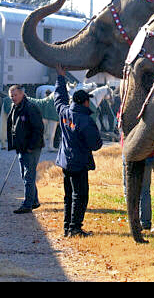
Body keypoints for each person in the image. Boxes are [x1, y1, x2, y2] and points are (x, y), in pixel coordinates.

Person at [54, 66, 103, 237]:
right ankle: (75, 228)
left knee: (69, 195)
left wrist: (60, 78)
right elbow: (96, 145)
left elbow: (58, 98)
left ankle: (67, 226)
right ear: (85, 102)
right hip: (79, 162)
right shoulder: (85, 120)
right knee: (80, 196)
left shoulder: (64, 112)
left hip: (65, 161)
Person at [6, 84, 44, 214]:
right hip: (22, 147)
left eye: (15, 95)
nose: (13, 98)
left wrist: (31, 147)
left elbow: (38, 129)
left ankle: (27, 204)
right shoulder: (15, 107)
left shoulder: (30, 108)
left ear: (22, 94)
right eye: (11, 96)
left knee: (28, 175)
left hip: (31, 148)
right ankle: (34, 201)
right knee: (26, 175)